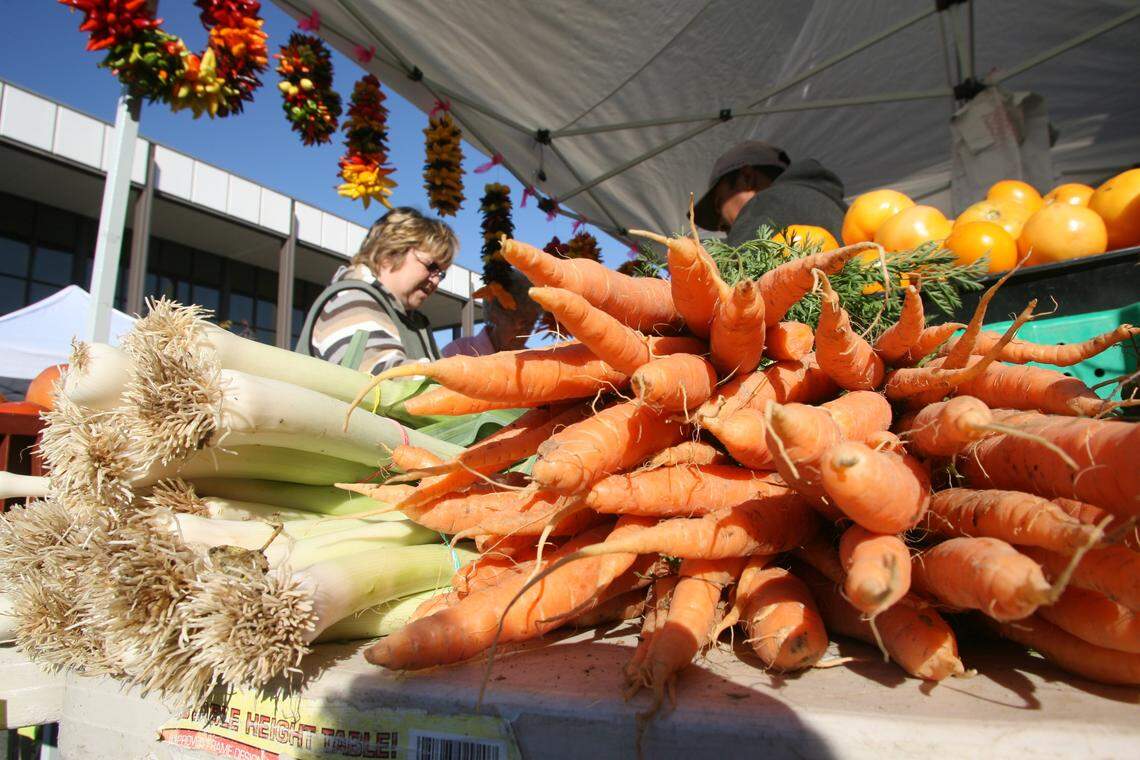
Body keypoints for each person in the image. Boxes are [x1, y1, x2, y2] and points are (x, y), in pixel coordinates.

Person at [296, 207, 457, 374]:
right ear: (391, 251)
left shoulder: (416, 323)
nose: (436, 280)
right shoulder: (353, 301)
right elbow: (382, 376)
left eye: (441, 273)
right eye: (431, 266)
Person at [693, 140, 847, 247]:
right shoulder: (836, 208)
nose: (720, 224)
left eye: (719, 203)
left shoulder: (769, 202)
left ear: (746, 178)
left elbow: (735, 283)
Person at [442, 268, 542, 357]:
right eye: (519, 321)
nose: (524, 332)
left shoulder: (533, 361)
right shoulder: (458, 353)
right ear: (494, 313)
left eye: (531, 324)